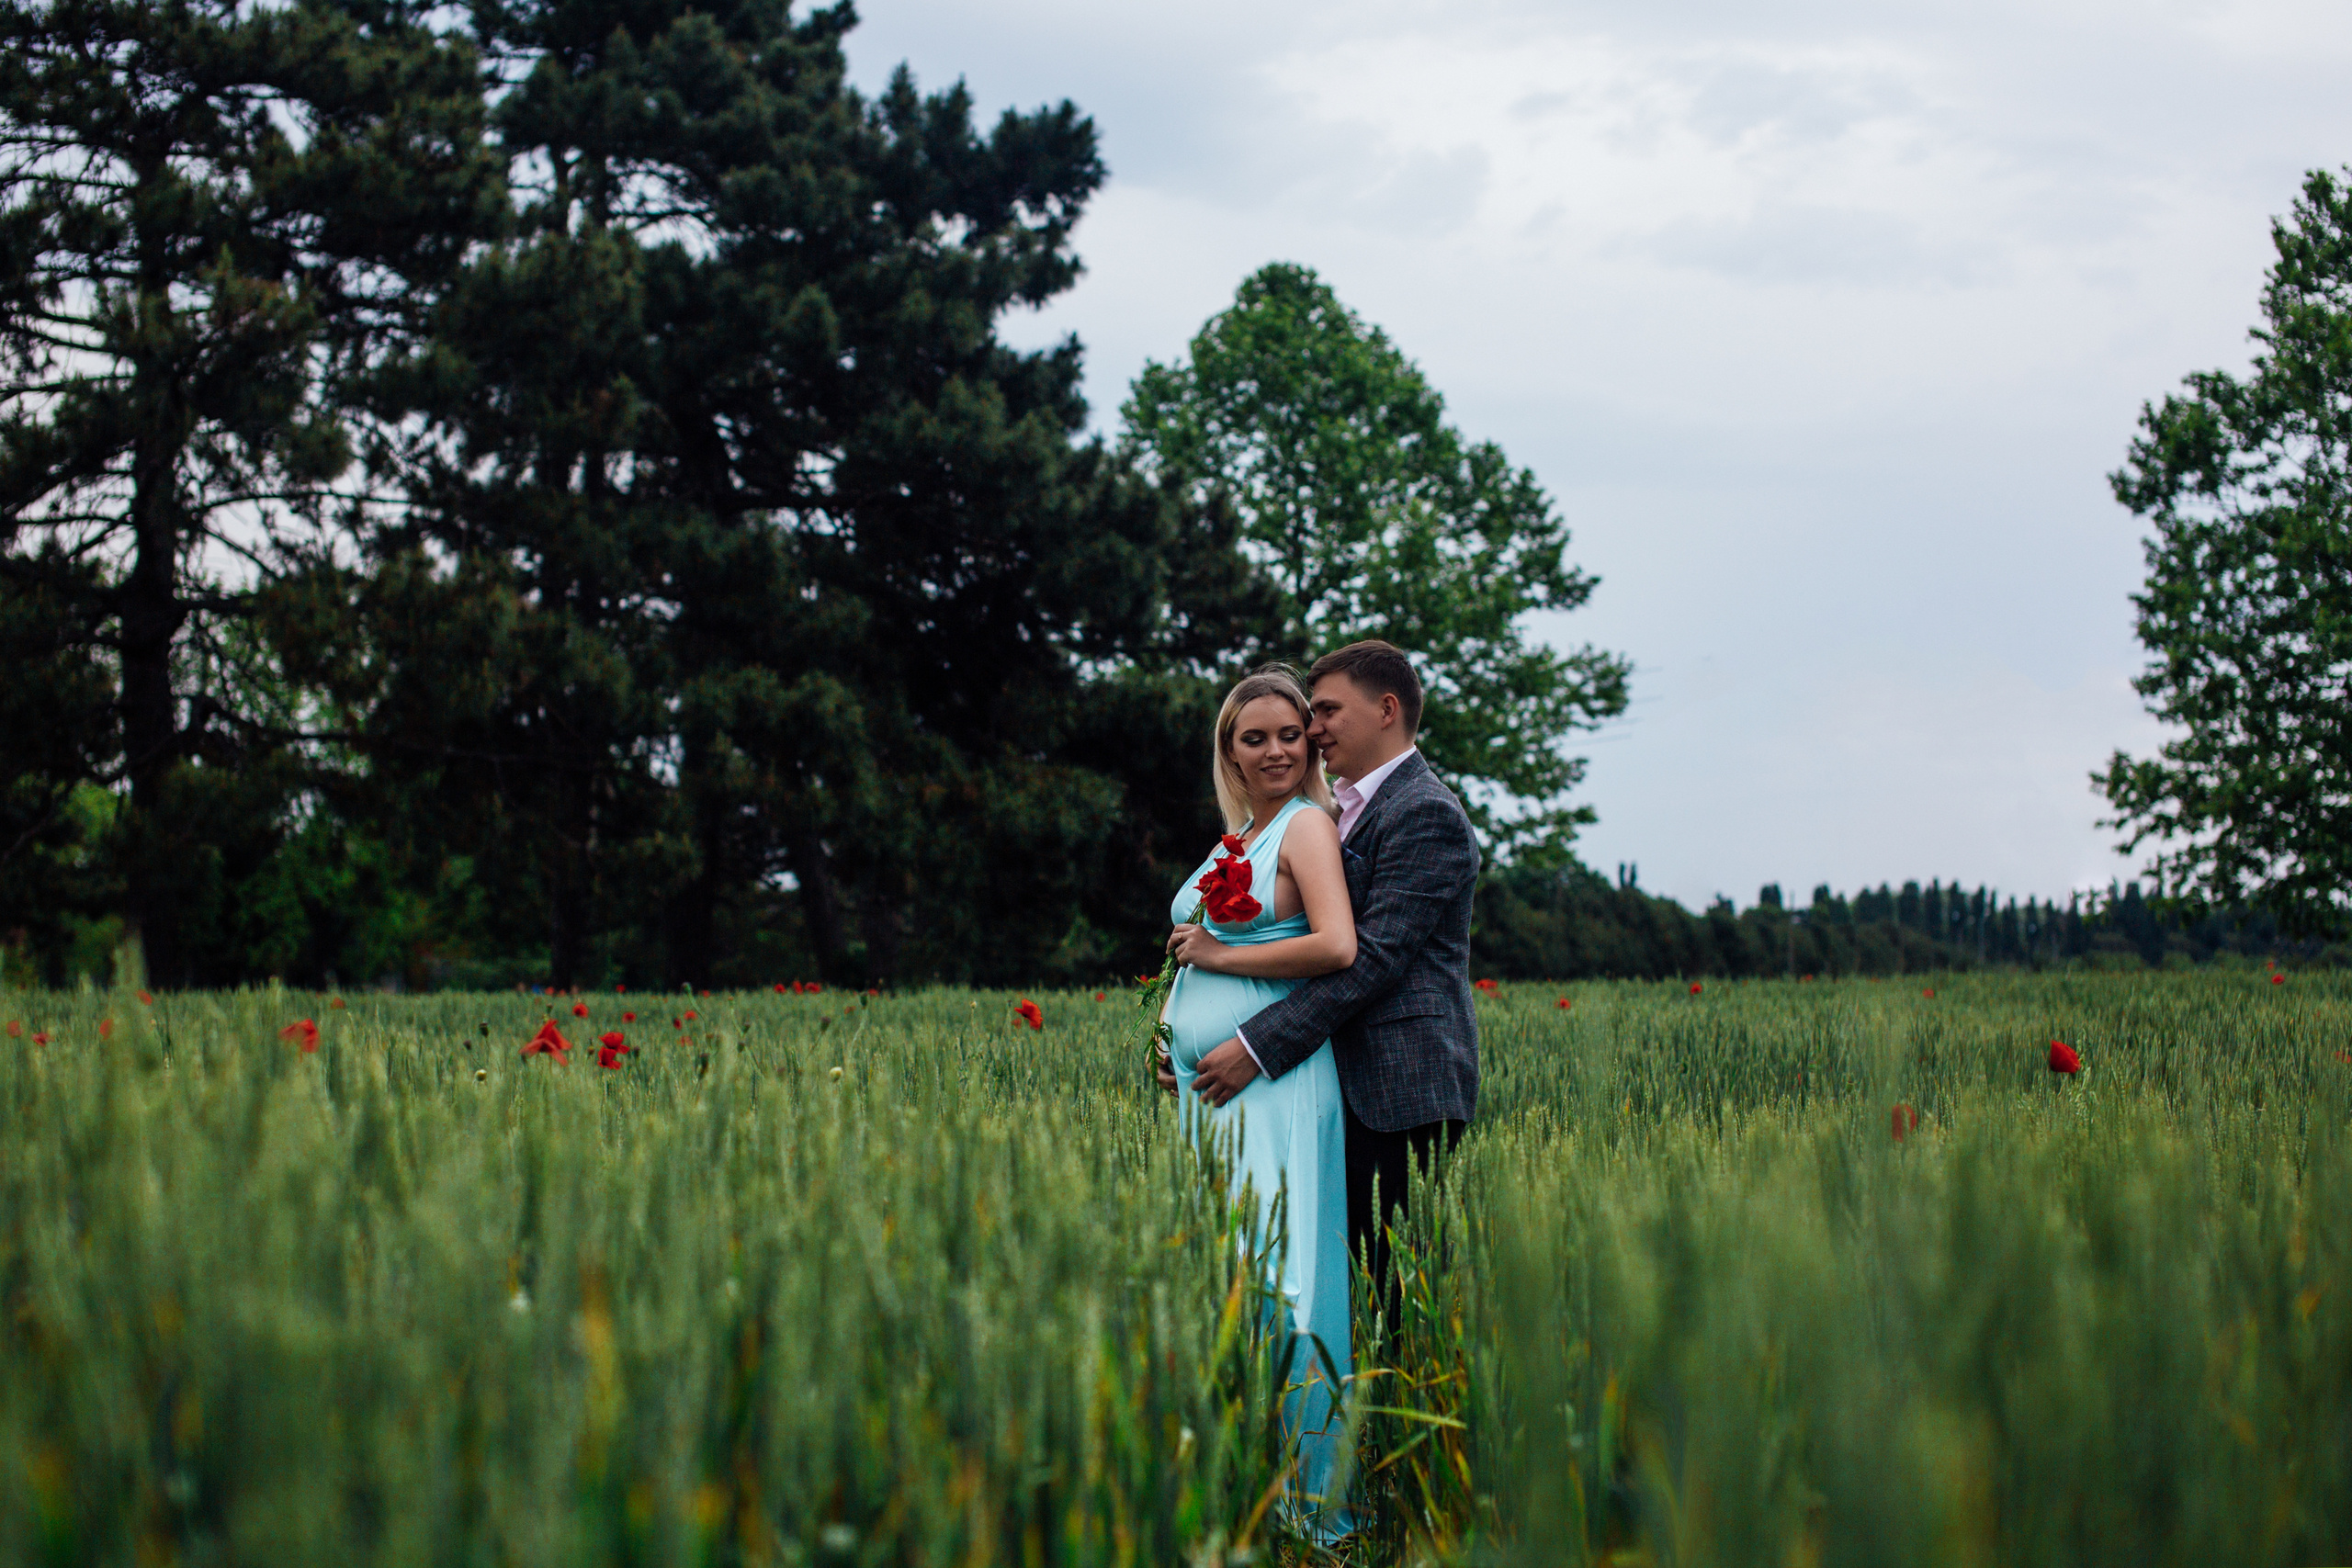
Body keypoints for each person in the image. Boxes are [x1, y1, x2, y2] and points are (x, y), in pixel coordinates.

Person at [1170, 640, 1481, 1315]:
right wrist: (1181, 1044)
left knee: (1388, 1294)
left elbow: (1370, 957)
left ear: (1387, 709)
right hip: (1333, 1077)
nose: (1313, 730)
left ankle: (1383, 1423)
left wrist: (1253, 1045)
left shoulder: (1425, 812)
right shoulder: (1345, 808)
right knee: (1331, 1279)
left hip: (1402, 1086)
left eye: (1326, 712)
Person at [1157, 665, 1355, 1538]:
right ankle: (1250, 1485)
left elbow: (1336, 944)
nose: (1274, 750)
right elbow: (1196, 948)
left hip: (1273, 1085)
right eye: (1254, 737)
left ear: (1308, 740)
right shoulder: (1238, 834)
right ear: (1228, 751)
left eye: (1288, 733)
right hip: (1211, 1093)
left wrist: (1213, 958)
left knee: (1283, 1280)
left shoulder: (1308, 826)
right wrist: (1174, 1045)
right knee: (1232, 1275)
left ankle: (1313, 1504)